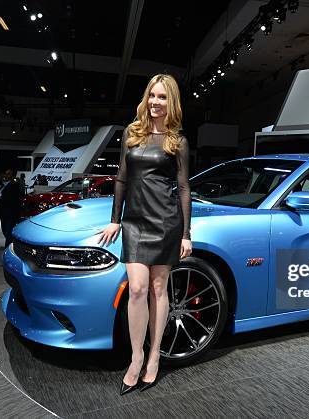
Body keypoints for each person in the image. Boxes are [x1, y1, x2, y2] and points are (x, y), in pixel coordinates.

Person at [98, 74, 192, 395]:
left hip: (166, 221)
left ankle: (154, 356)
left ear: (171, 102)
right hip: (135, 223)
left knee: (157, 288)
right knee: (136, 289)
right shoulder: (131, 134)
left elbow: (183, 188)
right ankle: (136, 356)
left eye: (162, 97)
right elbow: (121, 179)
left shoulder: (177, 141)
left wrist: (186, 233)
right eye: (152, 95)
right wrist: (116, 219)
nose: (155, 102)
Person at [0, 168, 23, 247]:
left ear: (13, 175)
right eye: (6, 173)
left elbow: (15, 199)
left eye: (9, 174)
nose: (6, 175)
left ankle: (8, 249)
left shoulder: (14, 185)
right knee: (5, 230)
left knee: (8, 232)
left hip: (11, 213)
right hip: (4, 212)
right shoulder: (3, 185)